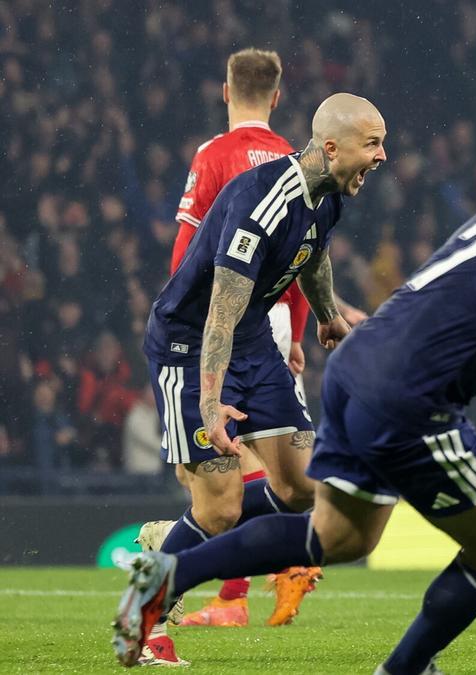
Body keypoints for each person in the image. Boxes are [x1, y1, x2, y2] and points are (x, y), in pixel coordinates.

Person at [112, 133, 476, 674]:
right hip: (413, 401)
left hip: (357, 367)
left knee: (336, 537)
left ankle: (163, 578)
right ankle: (406, 666)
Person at [125, 92, 387, 667]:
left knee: (301, 487)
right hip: (189, 347)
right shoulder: (260, 201)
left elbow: (313, 256)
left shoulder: (329, 197)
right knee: (217, 509)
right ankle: (143, 621)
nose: (382, 156)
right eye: (373, 143)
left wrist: (327, 317)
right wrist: (213, 403)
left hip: (250, 342)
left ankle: (170, 538)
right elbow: (219, 309)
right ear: (331, 146)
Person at [135, 48, 324, 648]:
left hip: (217, 327)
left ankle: (181, 559)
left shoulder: (213, 156)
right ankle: (210, 584)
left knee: (221, 487)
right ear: (276, 97)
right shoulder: (300, 161)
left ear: (225, 92)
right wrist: (294, 335)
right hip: (260, 323)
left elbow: (189, 255)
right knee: (264, 482)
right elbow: (297, 261)